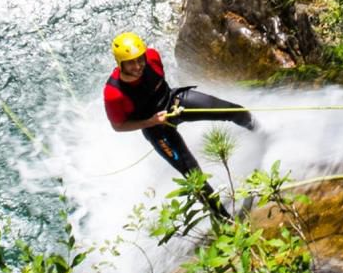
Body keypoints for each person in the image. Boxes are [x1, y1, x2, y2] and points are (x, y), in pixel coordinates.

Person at [103, 32, 255, 217]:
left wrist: (170, 108)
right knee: (192, 174)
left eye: (139, 59)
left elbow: (156, 82)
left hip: (174, 102)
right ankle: (225, 220)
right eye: (131, 62)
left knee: (233, 111)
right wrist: (151, 121)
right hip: (156, 128)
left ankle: (263, 133)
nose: (138, 66)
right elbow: (118, 126)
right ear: (120, 63)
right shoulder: (114, 93)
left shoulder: (152, 57)